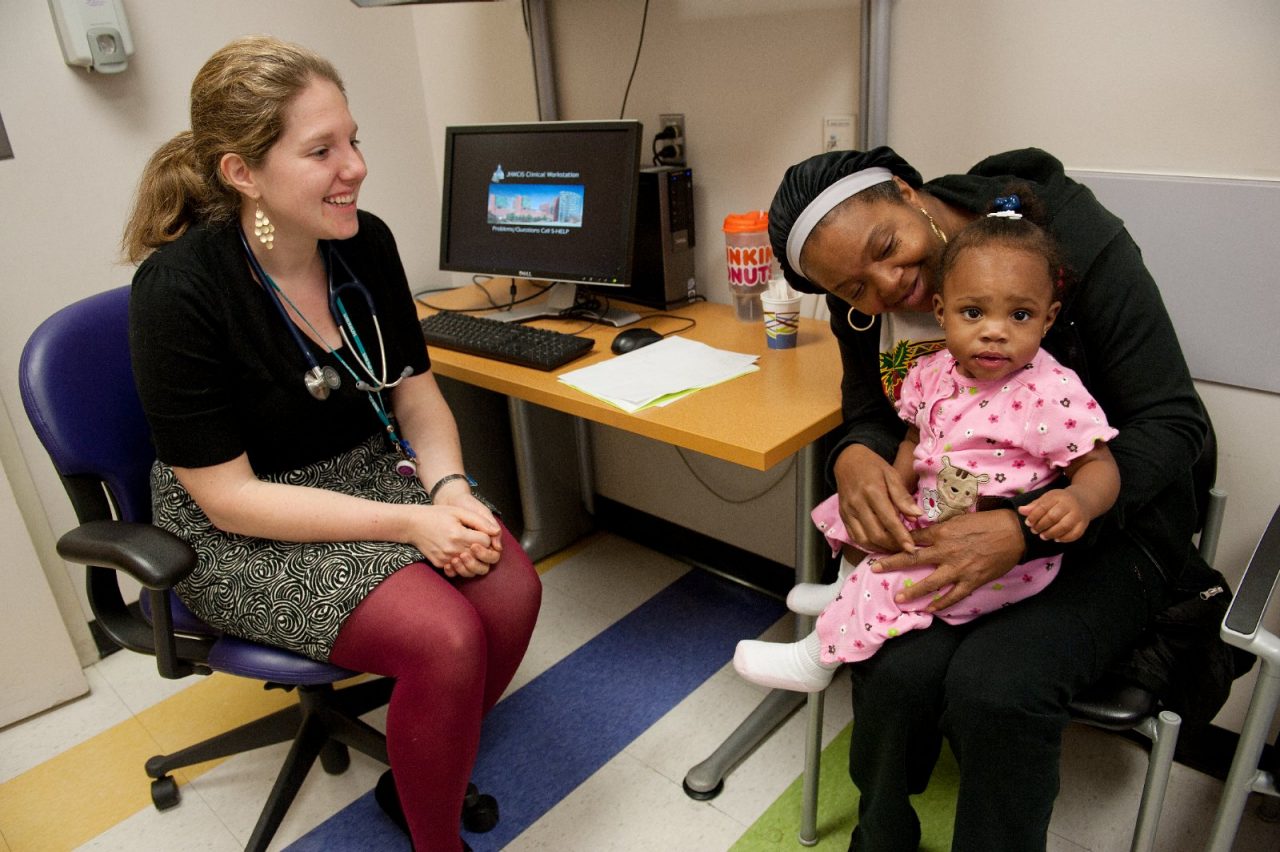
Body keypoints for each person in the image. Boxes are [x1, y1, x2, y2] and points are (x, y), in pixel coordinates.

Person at [123, 36, 541, 852]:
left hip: (365, 469)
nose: (354, 166)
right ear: (242, 173)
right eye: (321, 150)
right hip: (236, 523)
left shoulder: (364, 242)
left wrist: (448, 491)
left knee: (510, 589)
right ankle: (436, 840)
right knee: (444, 638)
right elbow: (226, 496)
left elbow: (417, 401)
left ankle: (422, 768)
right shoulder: (179, 293)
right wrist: (411, 524)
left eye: (352, 140)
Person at [767, 147, 1208, 852]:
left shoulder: (1067, 244)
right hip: (957, 515)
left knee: (996, 688)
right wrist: (854, 455)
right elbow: (875, 413)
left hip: (1102, 524)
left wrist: (1026, 530)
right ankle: (880, 835)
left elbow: (1175, 425)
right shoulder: (865, 300)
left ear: (908, 194)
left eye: (888, 249)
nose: (887, 287)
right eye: (854, 289)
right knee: (893, 667)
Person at [734, 203, 1120, 693]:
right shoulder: (934, 370)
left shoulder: (1049, 392)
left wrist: (1080, 501)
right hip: (937, 508)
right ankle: (842, 590)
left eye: (1019, 315)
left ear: (1048, 319)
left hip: (992, 552)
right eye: (973, 312)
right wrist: (896, 487)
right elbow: (917, 436)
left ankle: (817, 659)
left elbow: (1098, 463)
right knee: (854, 510)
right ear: (942, 312)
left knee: (893, 578)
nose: (995, 330)